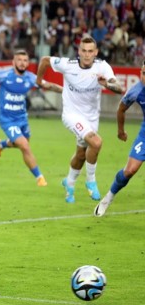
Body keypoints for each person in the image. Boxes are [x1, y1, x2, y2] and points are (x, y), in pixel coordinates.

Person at [36, 35, 125, 203]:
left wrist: (106, 84)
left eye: (90, 51)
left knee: (81, 154)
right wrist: (39, 80)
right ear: (79, 51)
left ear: (96, 52)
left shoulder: (102, 67)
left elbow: (119, 88)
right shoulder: (67, 65)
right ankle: (90, 181)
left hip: (92, 117)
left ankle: (69, 183)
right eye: (83, 51)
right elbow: (45, 60)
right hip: (71, 115)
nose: (86, 54)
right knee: (96, 142)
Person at [0, 49, 63, 186]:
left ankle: (1, 144)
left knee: (23, 143)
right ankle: (40, 178)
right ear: (14, 62)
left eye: (25, 60)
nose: (22, 63)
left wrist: (66, 91)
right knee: (24, 146)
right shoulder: (4, 75)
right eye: (19, 60)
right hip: (7, 120)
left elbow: (48, 85)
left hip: (22, 118)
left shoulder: (31, 78)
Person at [94, 61, 145, 216]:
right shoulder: (136, 91)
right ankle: (108, 198)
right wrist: (120, 131)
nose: (144, 77)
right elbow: (121, 109)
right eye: (143, 73)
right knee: (129, 170)